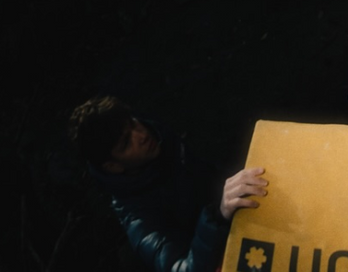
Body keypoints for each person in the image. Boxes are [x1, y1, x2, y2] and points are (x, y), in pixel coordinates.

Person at [69, 96, 267, 272]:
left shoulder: (162, 141)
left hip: (240, 217)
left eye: (133, 123)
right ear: (113, 166)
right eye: (126, 143)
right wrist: (217, 217)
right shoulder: (139, 221)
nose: (142, 135)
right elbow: (182, 267)